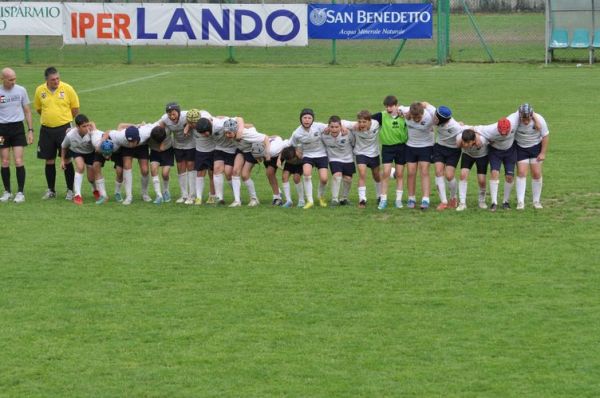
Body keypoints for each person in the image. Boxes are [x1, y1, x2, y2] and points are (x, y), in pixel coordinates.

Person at [34, 66, 79, 200]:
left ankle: (70, 190)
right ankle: (51, 190)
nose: (56, 81)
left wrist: (64, 120)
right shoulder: (39, 90)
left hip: (64, 129)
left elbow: (75, 108)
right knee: (49, 160)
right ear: (47, 80)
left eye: (58, 78)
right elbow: (38, 109)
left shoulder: (67, 89)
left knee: (66, 159)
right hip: (46, 130)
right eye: (53, 79)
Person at [0, 67, 34, 203]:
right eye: (10, 80)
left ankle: (20, 192)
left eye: (14, 79)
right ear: (3, 79)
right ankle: (7, 191)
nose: (13, 82)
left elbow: (27, 111)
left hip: (17, 128)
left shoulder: (21, 90)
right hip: (2, 130)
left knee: (19, 160)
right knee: (5, 161)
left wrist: (30, 130)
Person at [370, 95, 408, 209]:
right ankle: (383, 199)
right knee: (385, 173)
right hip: (387, 148)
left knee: (400, 174)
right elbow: (366, 119)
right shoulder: (381, 116)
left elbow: (418, 111)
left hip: (402, 147)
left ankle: (398, 200)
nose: (388, 108)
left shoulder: (404, 115)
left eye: (391, 106)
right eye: (387, 106)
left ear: (397, 105)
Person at [476, 115, 519, 212]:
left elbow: (522, 112)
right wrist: (477, 136)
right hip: (495, 152)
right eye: (501, 133)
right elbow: (475, 128)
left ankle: (505, 202)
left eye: (506, 133)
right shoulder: (490, 129)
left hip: (510, 152)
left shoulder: (515, 123)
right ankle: (494, 202)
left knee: (510, 177)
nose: (503, 135)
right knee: (494, 173)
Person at [224, 118, 270, 207]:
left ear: (235, 130)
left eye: (229, 133)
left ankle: (254, 198)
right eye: (226, 133)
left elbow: (265, 137)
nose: (227, 135)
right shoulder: (231, 133)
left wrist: (267, 153)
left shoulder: (246, 134)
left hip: (251, 151)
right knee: (235, 172)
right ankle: (237, 201)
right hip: (241, 150)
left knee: (245, 175)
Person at [289, 108, 328, 209]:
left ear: (312, 119)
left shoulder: (319, 126)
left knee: (324, 179)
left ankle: (320, 197)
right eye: (304, 118)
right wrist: (297, 151)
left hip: (321, 154)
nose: (307, 120)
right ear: (301, 119)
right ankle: (310, 201)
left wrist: (343, 128)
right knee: (306, 174)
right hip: (308, 155)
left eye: (309, 118)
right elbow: (291, 145)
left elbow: (332, 127)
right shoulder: (297, 133)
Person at [401, 102, 436, 209]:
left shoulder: (430, 115)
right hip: (410, 146)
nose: (416, 119)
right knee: (411, 172)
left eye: (418, 117)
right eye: (414, 116)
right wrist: (403, 114)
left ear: (423, 113)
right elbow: (396, 109)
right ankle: (411, 198)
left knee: (424, 171)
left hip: (426, 146)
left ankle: (425, 199)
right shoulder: (405, 111)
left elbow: (443, 116)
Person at [513, 103, 549, 210]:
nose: (525, 121)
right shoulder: (515, 120)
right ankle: (520, 202)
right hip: (520, 147)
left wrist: (542, 153)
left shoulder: (540, 119)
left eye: (527, 118)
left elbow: (545, 136)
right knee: (522, 173)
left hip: (535, 147)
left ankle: (536, 201)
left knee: (536, 174)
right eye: (523, 118)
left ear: (531, 115)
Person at [342, 111, 381, 209]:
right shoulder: (354, 126)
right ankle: (362, 199)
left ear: (370, 121)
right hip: (360, 153)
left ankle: (379, 196)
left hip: (374, 154)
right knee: (362, 174)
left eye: (364, 122)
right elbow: (340, 121)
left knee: (376, 175)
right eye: (360, 122)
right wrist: (343, 128)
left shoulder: (376, 124)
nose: (362, 124)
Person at [108, 123, 154, 205]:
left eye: (133, 141)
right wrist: (101, 143)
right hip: (126, 147)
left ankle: (145, 194)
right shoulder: (120, 136)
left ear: (137, 137)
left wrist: (142, 124)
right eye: (129, 141)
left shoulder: (146, 132)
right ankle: (129, 196)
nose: (131, 144)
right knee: (127, 166)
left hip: (142, 146)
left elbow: (158, 124)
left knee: (145, 170)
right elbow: (108, 132)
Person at [159, 103, 195, 204]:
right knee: (180, 168)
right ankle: (184, 195)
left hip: (191, 144)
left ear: (178, 112)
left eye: (173, 113)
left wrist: (188, 126)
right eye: (169, 114)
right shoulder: (165, 119)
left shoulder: (186, 115)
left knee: (190, 167)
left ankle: (192, 196)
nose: (172, 116)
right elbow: (160, 129)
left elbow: (197, 116)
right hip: (178, 145)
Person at [59, 114, 99, 205]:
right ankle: (77, 195)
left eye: (87, 125)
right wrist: (62, 160)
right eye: (83, 126)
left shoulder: (92, 133)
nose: (86, 128)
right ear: (77, 127)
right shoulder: (70, 135)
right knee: (80, 167)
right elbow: (64, 147)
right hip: (76, 152)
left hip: (90, 153)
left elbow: (97, 143)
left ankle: (95, 190)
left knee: (91, 178)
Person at [432, 106, 464, 211]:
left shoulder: (455, 127)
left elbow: (467, 130)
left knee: (449, 176)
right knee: (438, 171)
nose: (434, 119)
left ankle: (453, 198)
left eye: (436, 118)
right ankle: (444, 201)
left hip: (453, 151)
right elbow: (424, 104)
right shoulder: (435, 113)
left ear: (442, 120)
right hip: (439, 147)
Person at [321, 115, 355, 205]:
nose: (334, 129)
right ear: (328, 127)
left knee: (348, 179)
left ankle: (344, 198)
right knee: (337, 175)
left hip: (348, 158)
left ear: (341, 126)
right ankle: (334, 199)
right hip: (334, 158)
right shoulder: (324, 135)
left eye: (336, 127)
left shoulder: (348, 134)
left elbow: (354, 143)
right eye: (332, 127)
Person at [250, 135, 292, 206]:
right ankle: (278, 192)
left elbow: (286, 144)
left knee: (269, 172)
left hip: (277, 154)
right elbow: (271, 136)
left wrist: (279, 159)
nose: (258, 160)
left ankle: (277, 198)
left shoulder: (274, 150)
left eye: (259, 157)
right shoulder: (257, 145)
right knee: (269, 175)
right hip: (268, 154)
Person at [455, 128, 490, 211]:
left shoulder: (483, 140)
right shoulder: (460, 138)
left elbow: (492, 139)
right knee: (463, 175)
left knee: (482, 180)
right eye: (464, 142)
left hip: (482, 156)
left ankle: (482, 201)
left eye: (467, 143)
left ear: (473, 140)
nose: (465, 144)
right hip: (467, 155)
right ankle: (462, 203)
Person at [147, 125, 174, 204]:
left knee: (165, 174)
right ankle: (159, 195)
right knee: (153, 170)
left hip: (167, 151)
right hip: (155, 152)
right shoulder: (148, 133)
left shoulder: (168, 129)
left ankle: (165, 191)